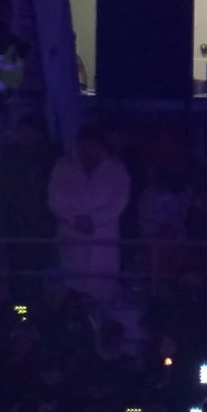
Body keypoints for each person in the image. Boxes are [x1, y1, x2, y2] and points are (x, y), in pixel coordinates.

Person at [48, 125, 130, 302]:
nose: (89, 149)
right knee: (71, 285)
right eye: (85, 144)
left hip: (102, 236)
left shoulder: (116, 169)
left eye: (93, 145)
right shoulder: (63, 167)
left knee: (102, 288)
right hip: (72, 235)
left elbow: (119, 202)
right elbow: (54, 199)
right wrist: (74, 220)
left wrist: (94, 220)